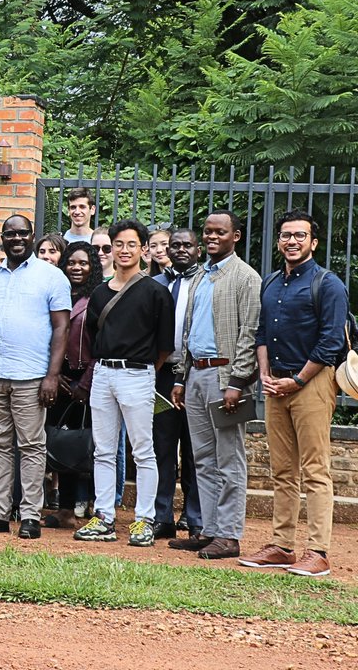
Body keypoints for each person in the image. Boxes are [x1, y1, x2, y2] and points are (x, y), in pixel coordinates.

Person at [242, 209, 346, 577]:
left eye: (300, 235)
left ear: (313, 243)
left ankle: (318, 552)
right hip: (276, 385)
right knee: (282, 471)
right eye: (286, 235)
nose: (292, 241)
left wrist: (298, 381)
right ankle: (282, 546)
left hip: (312, 384)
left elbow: (331, 340)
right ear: (279, 240)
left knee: (315, 470)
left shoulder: (327, 284)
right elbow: (261, 334)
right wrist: (266, 373)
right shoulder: (271, 282)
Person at [0, 215, 71, 540]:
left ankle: (29, 516)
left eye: (22, 233)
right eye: (10, 233)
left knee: (31, 446)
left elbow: (61, 328)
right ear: (3, 236)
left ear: (32, 236)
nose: (16, 238)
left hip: (31, 377)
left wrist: (52, 375)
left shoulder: (51, 276)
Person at [75, 219, 174, 548]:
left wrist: (144, 369)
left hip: (138, 374)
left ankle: (144, 519)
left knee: (143, 452)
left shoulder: (156, 292)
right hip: (103, 373)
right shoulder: (100, 292)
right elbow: (93, 334)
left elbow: (165, 346)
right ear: (112, 248)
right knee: (103, 450)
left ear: (143, 249)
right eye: (119, 244)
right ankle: (104, 516)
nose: (124, 250)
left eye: (132, 244)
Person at [168, 210, 260, 560]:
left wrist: (237, 381)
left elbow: (249, 333)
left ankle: (230, 535)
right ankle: (208, 529)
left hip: (226, 380)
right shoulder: (202, 276)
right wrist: (181, 376)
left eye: (219, 232)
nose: (211, 237)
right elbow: (191, 331)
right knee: (202, 458)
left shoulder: (245, 277)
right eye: (207, 232)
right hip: (196, 376)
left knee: (229, 459)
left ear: (235, 236)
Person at [45, 241, 104, 528]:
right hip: (60, 378)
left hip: (89, 379)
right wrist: (56, 376)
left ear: (93, 266)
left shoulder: (100, 298)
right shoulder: (56, 293)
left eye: (83, 263)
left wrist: (85, 383)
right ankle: (66, 509)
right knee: (64, 443)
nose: (76, 268)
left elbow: (102, 344)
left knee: (94, 445)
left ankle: (97, 506)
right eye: (71, 262)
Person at [152, 228, 203, 539]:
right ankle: (162, 515)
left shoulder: (207, 283)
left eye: (187, 245)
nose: (181, 250)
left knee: (195, 449)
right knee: (162, 447)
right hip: (163, 374)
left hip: (196, 375)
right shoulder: (157, 285)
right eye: (176, 246)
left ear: (197, 249)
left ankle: (194, 516)